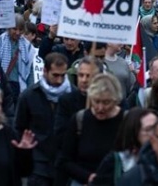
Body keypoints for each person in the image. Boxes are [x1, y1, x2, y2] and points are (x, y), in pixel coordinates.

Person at [57, 73, 125, 186]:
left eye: (106, 102)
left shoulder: (125, 120)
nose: (100, 108)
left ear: (116, 100)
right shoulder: (80, 119)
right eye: (96, 101)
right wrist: (88, 177)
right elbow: (64, 160)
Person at [15, 52, 71, 186]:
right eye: (55, 75)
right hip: (38, 165)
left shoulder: (72, 96)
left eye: (62, 75)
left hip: (63, 165)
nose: (59, 80)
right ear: (45, 71)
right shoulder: (29, 96)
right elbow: (19, 127)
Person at [92, 108, 158, 186]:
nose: (155, 134)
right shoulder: (116, 161)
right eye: (148, 129)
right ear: (133, 132)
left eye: (157, 128)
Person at [54, 56, 101, 143]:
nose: (84, 80)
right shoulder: (66, 101)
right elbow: (60, 135)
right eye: (81, 75)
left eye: (89, 76)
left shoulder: (108, 102)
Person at [0, 14, 34, 98]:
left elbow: (30, 71)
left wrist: (30, 91)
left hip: (19, 88)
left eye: (20, 30)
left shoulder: (28, 47)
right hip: (1, 85)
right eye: (14, 29)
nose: (17, 32)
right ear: (8, 28)